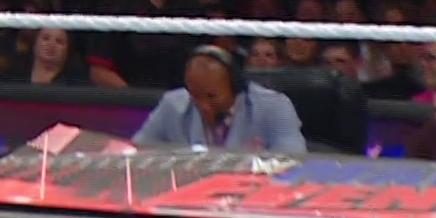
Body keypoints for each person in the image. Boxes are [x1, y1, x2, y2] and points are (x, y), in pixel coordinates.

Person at [131, 46, 306, 153]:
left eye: (211, 96)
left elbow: (294, 161)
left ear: (235, 87)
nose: (203, 105)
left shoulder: (275, 107)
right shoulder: (171, 104)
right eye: (195, 95)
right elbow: (138, 152)